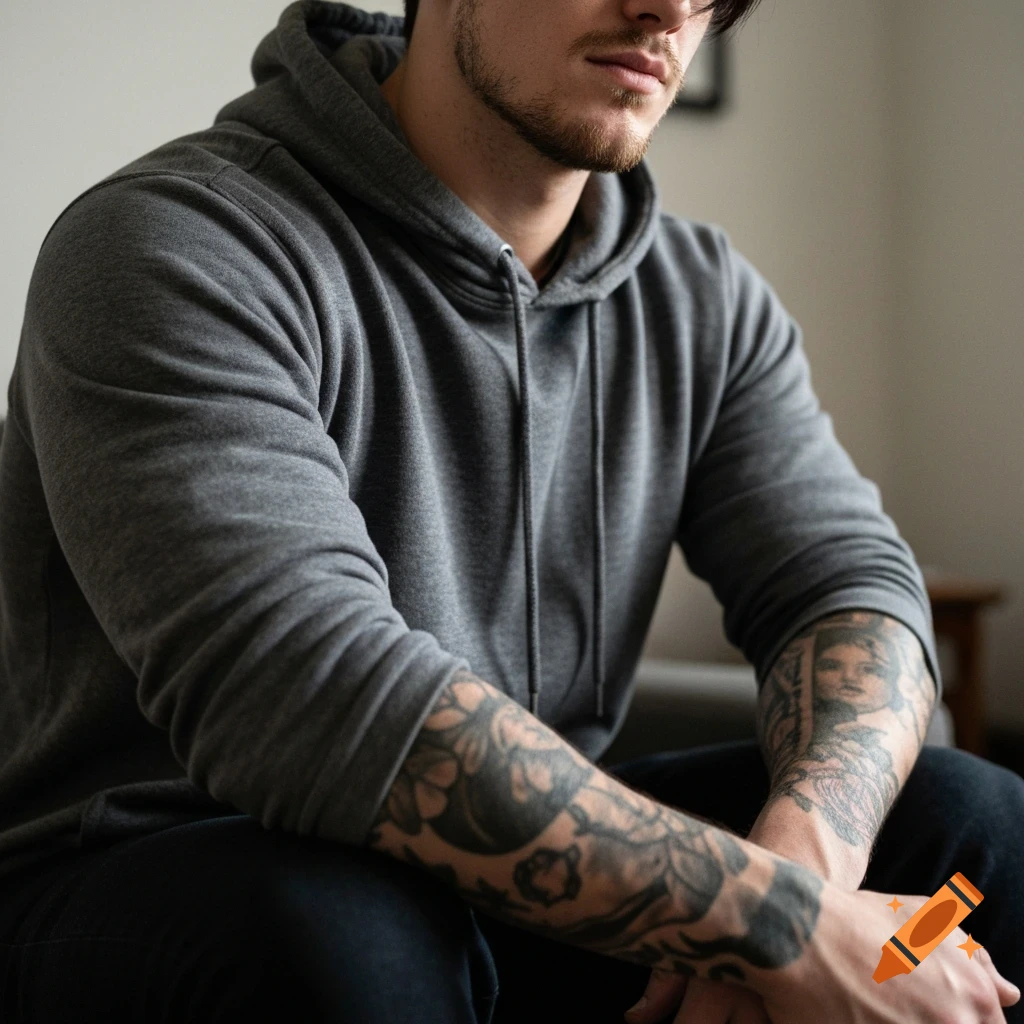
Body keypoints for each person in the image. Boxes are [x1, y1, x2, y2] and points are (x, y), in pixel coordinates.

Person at [0, 0, 1020, 1020]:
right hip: (161, 878)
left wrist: (810, 876)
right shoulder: (172, 244)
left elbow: (845, 587)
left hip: (509, 899)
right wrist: (776, 925)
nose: (669, 7)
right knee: (335, 925)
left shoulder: (699, 297)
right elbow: (304, 690)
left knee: (971, 820)